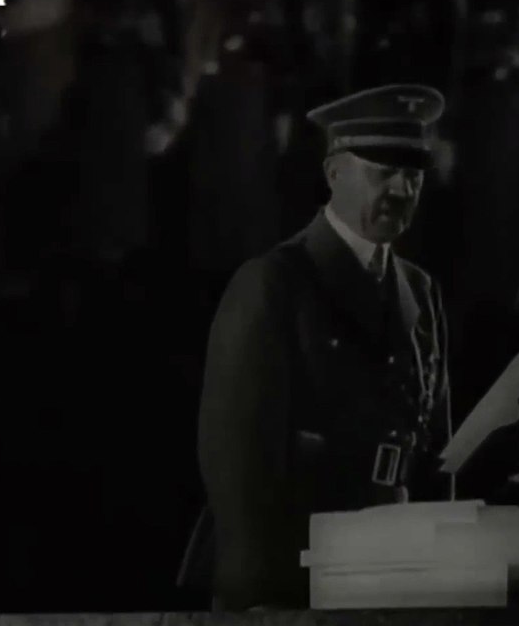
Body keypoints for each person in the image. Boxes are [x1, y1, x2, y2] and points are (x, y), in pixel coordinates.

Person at [184, 84, 455, 610]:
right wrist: (259, 601)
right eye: (383, 170)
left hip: (390, 576)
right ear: (334, 173)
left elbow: (434, 456)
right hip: (296, 579)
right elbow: (238, 471)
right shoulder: (275, 284)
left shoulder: (420, 292)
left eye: (414, 174)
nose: (402, 189)